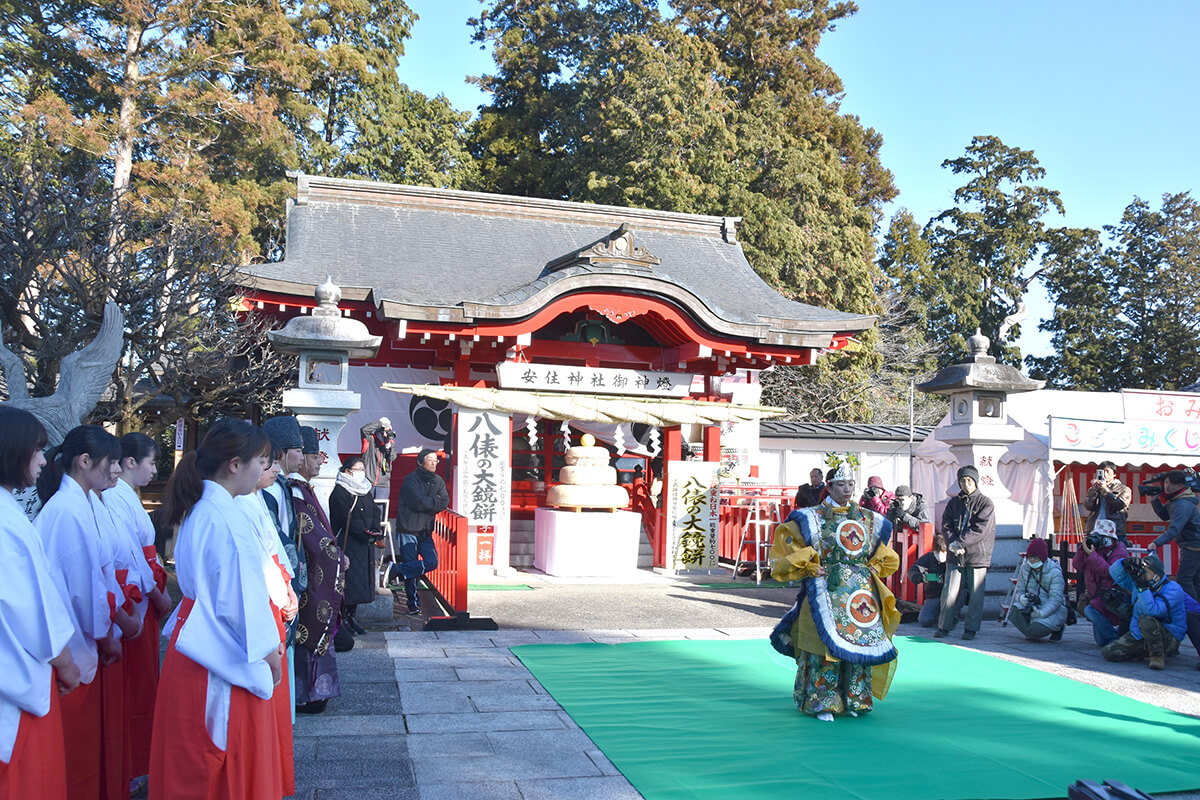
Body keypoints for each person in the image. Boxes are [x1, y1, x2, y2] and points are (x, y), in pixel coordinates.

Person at [148, 418, 284, 799]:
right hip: (220, 653)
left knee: (192, 760)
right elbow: (239, 600)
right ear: (235, 465)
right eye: (259, 461)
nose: (263, 470)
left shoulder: (203, 509)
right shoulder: (225, 516)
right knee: (220, 762)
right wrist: (268, 654)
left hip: (194, 644)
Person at [35, 425, 141, 800]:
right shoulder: (67, 511)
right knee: (77, 750)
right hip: (73, 640)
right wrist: (105, 633)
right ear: (84, 462)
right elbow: (84, 587)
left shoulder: (81, 503)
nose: (115, 470)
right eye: (110, 462)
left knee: (87, 745)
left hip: (83, 633)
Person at [769, 461, 899, 721]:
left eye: (851, 484)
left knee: (861, 640)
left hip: (859, 590)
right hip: (824, 587)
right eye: (841, 484)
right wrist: (807, 565)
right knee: (821, 647)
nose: (847, 489)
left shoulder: (867, 518)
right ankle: (822, 702)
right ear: (829, 487)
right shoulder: (811, 516)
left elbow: (883, 552)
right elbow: (787, 543)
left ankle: (856, 699)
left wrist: (874, 565)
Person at [0, 407, 80, 799]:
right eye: (36, 450)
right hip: (14, 678)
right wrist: (64, 661)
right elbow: (29, 608)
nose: (43, 460)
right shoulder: (6, 519)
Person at [103, 432, 171, 794]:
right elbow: (129, 557)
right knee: (136, 684)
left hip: (139, 597)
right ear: (131, 463)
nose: (154, 470)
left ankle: (136, 763)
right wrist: (155, 592)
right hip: (132, 600)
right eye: (151, 462)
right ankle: (129, 767)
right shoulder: (115, 498)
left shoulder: (123, 497)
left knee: (144, 683)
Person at [235, 441, 297, 793]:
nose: (267, 470)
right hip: (257, 611)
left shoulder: (253, 499)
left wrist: (287, 587)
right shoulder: (233, 508)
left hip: (273, 599)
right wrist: (282, 592)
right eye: (261, 462)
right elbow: (252, 572)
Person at [290, 426, 344, 715]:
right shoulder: (297, 493)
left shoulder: (303, 490)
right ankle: (308, 695)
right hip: (309, 574)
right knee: (311, 632)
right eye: (315, 456)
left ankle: (313, 694)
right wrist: (336, 557)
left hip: (311, 574)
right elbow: (315, 539)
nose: (321, 461)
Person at [935, 465, 996, 641]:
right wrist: (953, 543)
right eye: (962, 480)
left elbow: (981, 529)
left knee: (976, 594)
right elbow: (946, 524)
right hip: (955, 553)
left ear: (976, 482)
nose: (966, 484)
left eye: (969, 480)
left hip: (977, 554)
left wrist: (960, 542)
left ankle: (971, 628)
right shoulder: (954, 502)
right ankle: (944, 626)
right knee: (949, 592)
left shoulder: (985, 503)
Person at [1101, 554, 1188, 670]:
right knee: (1109, 653)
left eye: (1145, 572)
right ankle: (1144, 651)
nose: (1141, 574)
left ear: (1156, 575)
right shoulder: (1138, 584)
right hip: (1141, 632)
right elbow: (1114, 572)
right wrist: (1123, 563)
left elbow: (1153, 611)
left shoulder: (1173, 589)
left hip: (1169, 636)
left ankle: (1157, 655)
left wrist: (1143, 588)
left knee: (1146, 619)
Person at [389, 448, 448, 618]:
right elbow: (417, 502)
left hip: (425, 530)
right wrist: (433, 502)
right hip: (408, 528)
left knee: (432, 562)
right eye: (430, 460)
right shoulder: (410, 480)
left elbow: (444, 501)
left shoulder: (438, 480)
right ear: (420, 462)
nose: (433, 463)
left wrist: (431, 503)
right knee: (412, 568)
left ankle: (397, 569)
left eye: (435, 460)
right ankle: (412, 604)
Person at [329, 455, 383, 635]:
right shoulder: (340, 491)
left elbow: (375, 511)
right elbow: (345, 519)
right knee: (348, 582)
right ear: (347, 471)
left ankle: (352, 617)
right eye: (358, 470)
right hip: (349, 541)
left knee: (361, 583)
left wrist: (375, 530)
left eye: (362, 470)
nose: (361, 473)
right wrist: (363, 532)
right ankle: (343, 619)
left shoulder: (365, 489)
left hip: (366, 543)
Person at [1071, 519, 1130, 647]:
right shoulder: (1096, 550)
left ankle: (1115, 642)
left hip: (1113, 598)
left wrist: (1092, 555)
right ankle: (1117, 637)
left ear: (1109, 538)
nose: (1097, 540)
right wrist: (1083, 549)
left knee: (1090, 611)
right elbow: (1077, 565)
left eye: (1100, 537)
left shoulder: (1119, 551)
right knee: (1101, 641)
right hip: (1098, 597)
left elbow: (1111, 572)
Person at [1147, 470, 1200, 603]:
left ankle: (1193, 612)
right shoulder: (1176, 500)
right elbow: (1165, 515)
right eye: (1166, 482)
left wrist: (1156, 542)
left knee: (1184, 579)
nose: (1168, 486)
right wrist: (1155, 500)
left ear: (1181, 485)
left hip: (1193, 546)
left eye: (1173, 483)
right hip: (1192, 544)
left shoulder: (1182, 504)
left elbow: (1174, 529)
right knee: (1195, 580)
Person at [1006, 537, 1066, 641]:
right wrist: (1022, 598)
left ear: (1042, 557)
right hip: (1032, 605)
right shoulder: (1025, 568)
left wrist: (1041, 613)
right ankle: (1031, 629)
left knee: (1035, 631)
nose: (1032, 560)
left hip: (1050, 608)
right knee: (1014, 611)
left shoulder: (1054, 573)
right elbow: (1019, 591)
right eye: (1029, 557)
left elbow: (1056, 599)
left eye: (1035, 557)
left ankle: (1057, 627)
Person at [1083, 461, 1131, 540]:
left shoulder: (1124, 489)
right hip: (1095, 529)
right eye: (1102, 472)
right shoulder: (1094, 489)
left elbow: (1118, 505)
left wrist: (1105, 490)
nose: (1105, 474)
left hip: (1115, 531)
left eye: (1107, 471)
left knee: (1115, 552)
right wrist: (1094, 491)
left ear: (1114, 474)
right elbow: (1088, 506)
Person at [907, 534, 947, 628]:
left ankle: (951, 616)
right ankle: (939, 616)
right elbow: (913, 570)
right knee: (924, 620)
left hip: (951, 595)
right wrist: (922, 577)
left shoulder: (953, 558)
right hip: (935, 595)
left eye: (943, 552)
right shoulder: (929, 557)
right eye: (938, 552)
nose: (941, 555)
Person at [359, 417, 397, 487]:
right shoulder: (370, 440)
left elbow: (392, 458)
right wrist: (381, 424)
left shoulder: (390, 443)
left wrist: (387, 444)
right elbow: (364, 430)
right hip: (367, 482)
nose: (384, 435)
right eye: (382, 433)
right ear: (377, 433)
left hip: (383, 484)